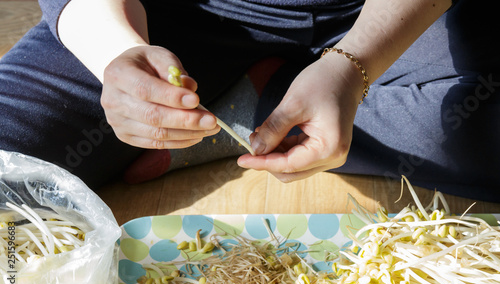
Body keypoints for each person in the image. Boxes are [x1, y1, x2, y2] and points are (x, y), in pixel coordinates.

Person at [0, 0, 498, 202]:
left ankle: (251, 109)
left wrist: (351, 67)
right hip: (174, 16)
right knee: (7, 165)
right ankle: (260, 115)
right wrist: (118, 54)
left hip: (395, 17)